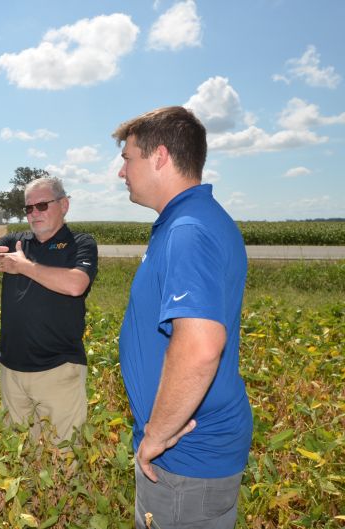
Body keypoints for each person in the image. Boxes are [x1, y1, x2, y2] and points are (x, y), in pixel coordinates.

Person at [112, 106, 252, 529]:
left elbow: (201, 346)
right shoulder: (189, 220)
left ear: (158, 156)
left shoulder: (187, 229)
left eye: (127, 158)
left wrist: (156, 435)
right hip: (191, 456)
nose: (122, 173)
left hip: (186, 459)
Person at [0, 177, 97, 444]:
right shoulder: (17, 241)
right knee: (19, 456)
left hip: (58, 369)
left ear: (64, 205)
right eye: (28, 208)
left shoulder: (80, 243)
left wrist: (23, 266)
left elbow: (76, 284)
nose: (34, 213)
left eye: (41, 205)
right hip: (12, 370)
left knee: (64, 457)